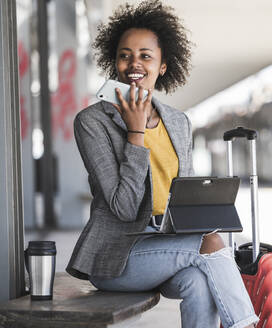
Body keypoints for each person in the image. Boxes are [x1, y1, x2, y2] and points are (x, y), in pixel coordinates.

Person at [65, 1, 258, 327]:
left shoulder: (177, 121)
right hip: (116, 257)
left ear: (163, 65)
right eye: (125, 55)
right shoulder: (92, 122)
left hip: (167, 244)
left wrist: (206, 211)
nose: (133, 63)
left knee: (199, 282)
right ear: (114, 61)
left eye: (145, 55)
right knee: (209, 245)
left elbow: (186, 196)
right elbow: (123, 207)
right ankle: (249, 324)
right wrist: (136, 133)